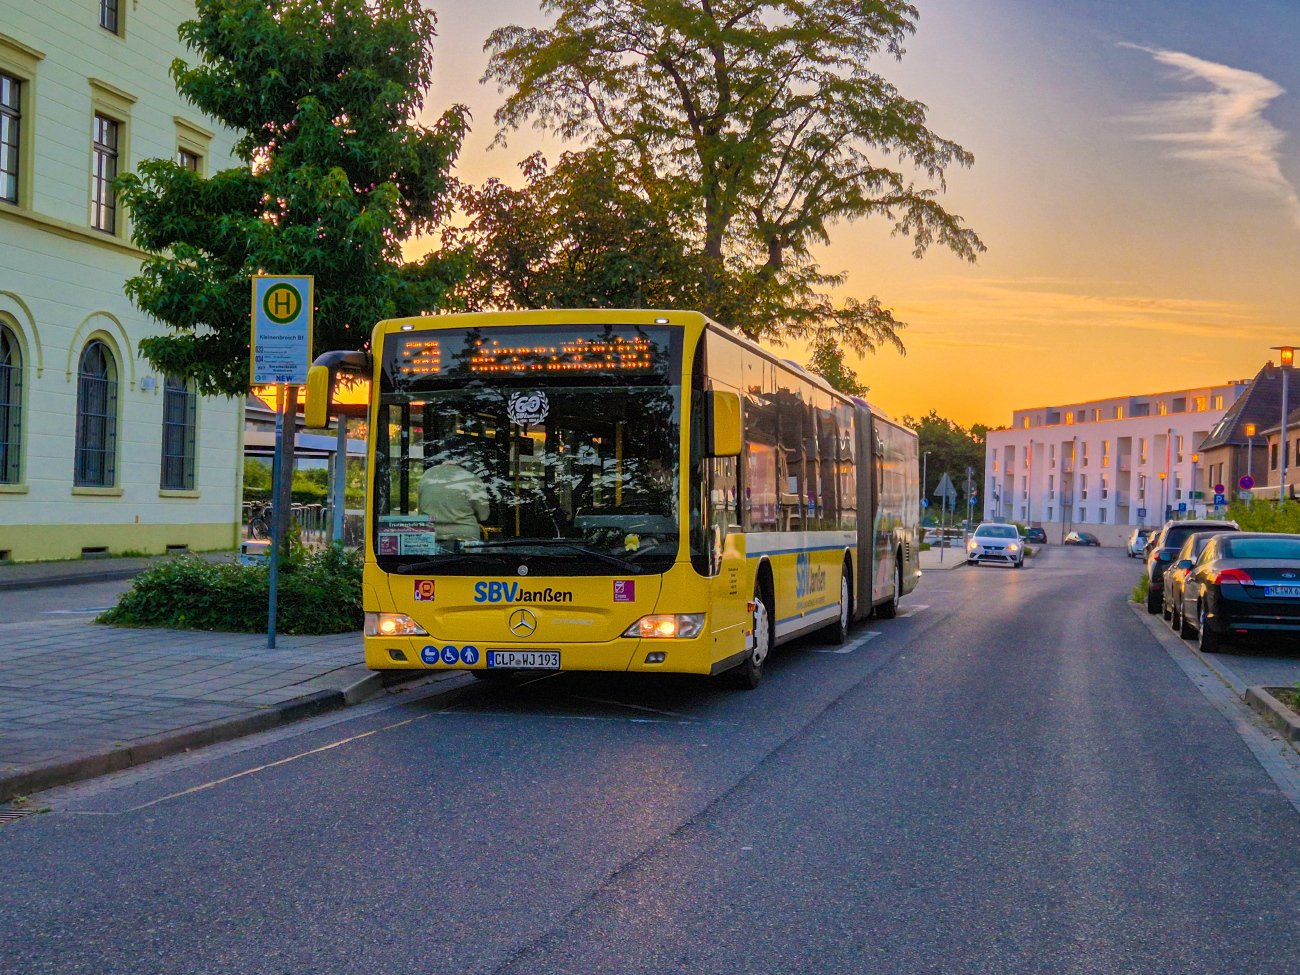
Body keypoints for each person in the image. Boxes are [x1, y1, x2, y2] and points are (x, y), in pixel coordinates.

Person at [417, 458, 490, 543]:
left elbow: (421, 509)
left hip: (431, 534)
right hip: (465, 535)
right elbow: (483, 515)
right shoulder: (471, 478)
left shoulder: (427, 475)